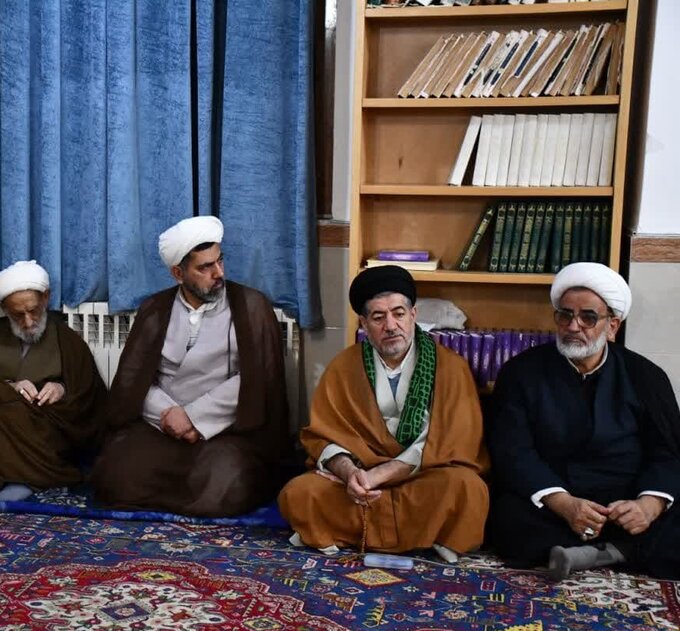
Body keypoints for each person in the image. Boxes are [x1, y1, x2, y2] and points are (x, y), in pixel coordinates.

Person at [279, 266, 489, 562]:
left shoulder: (451, 368)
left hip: (424, 476)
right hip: (359, 483)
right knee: (300, 492)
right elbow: (323, 436)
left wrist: (380, 474)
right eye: (378, 317)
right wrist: (351, 474)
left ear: (413, 314)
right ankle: (423, 535)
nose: (391, 325)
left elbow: (456, 442)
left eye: (398, 313)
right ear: (364, 324)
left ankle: (360, 532)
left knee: (467, 488)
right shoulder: (343, 367)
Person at [487, 262, 680, 580]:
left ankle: (600, 552)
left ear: (612, 326)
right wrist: (564, 504)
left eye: (588, 317)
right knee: (509, 519)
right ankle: (622, 551)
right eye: (565, 315)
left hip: (626, 498)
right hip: (557, 498)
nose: (574, 326)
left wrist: (648, 506)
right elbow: (513, 450)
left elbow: (668, 452)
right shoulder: (521, 372)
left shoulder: (646, 376)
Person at [90, 215, 289, 517]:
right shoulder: (155, 309)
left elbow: (256, 379)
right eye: (205, 267)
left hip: (225, 430)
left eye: (220, 261)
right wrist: (170, 417)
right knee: (115, 474)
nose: (218, 273)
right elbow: (135, 380)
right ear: (178, 273)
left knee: (226, 485)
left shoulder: (251, 306)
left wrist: (194, 418)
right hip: (162, 425)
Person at [0, 260, 107, 501]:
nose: (28, 321)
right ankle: (22, 476)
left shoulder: (68, 341)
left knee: (11, 416)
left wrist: (62, 389)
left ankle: (20, 477)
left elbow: (89, 398)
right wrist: (8, 388)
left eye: (33, 310)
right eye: (17, 315)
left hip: (39, 432)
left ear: (46, 298)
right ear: (4, 310)